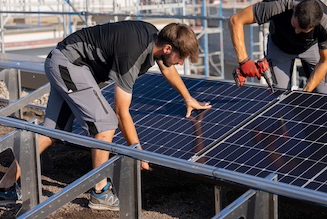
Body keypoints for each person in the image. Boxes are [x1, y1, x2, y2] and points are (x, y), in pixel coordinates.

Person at [0, 20, 211, 210]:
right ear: (167, 48)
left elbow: (166, 66)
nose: (181, 63)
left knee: (53, 130)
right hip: (70, 64)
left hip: (64, 61)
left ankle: (5, 186)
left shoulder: (153, 37)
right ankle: (100, 191)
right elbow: (121, 111)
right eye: (181, 57)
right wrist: (137, 151)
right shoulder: (132, 54)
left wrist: (188, 98)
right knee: (107, 123)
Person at [229, 0, 327, 93]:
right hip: (280, 46)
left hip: (311, 48)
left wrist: (306, 92)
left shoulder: (326, 25)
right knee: (279, 93)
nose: (297, 32)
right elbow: (235, 20)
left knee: (324, 92)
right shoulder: (278, 5)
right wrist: (244, 61)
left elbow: (324, 61)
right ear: (294, 9)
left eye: (303, 31)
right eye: (295, 26)